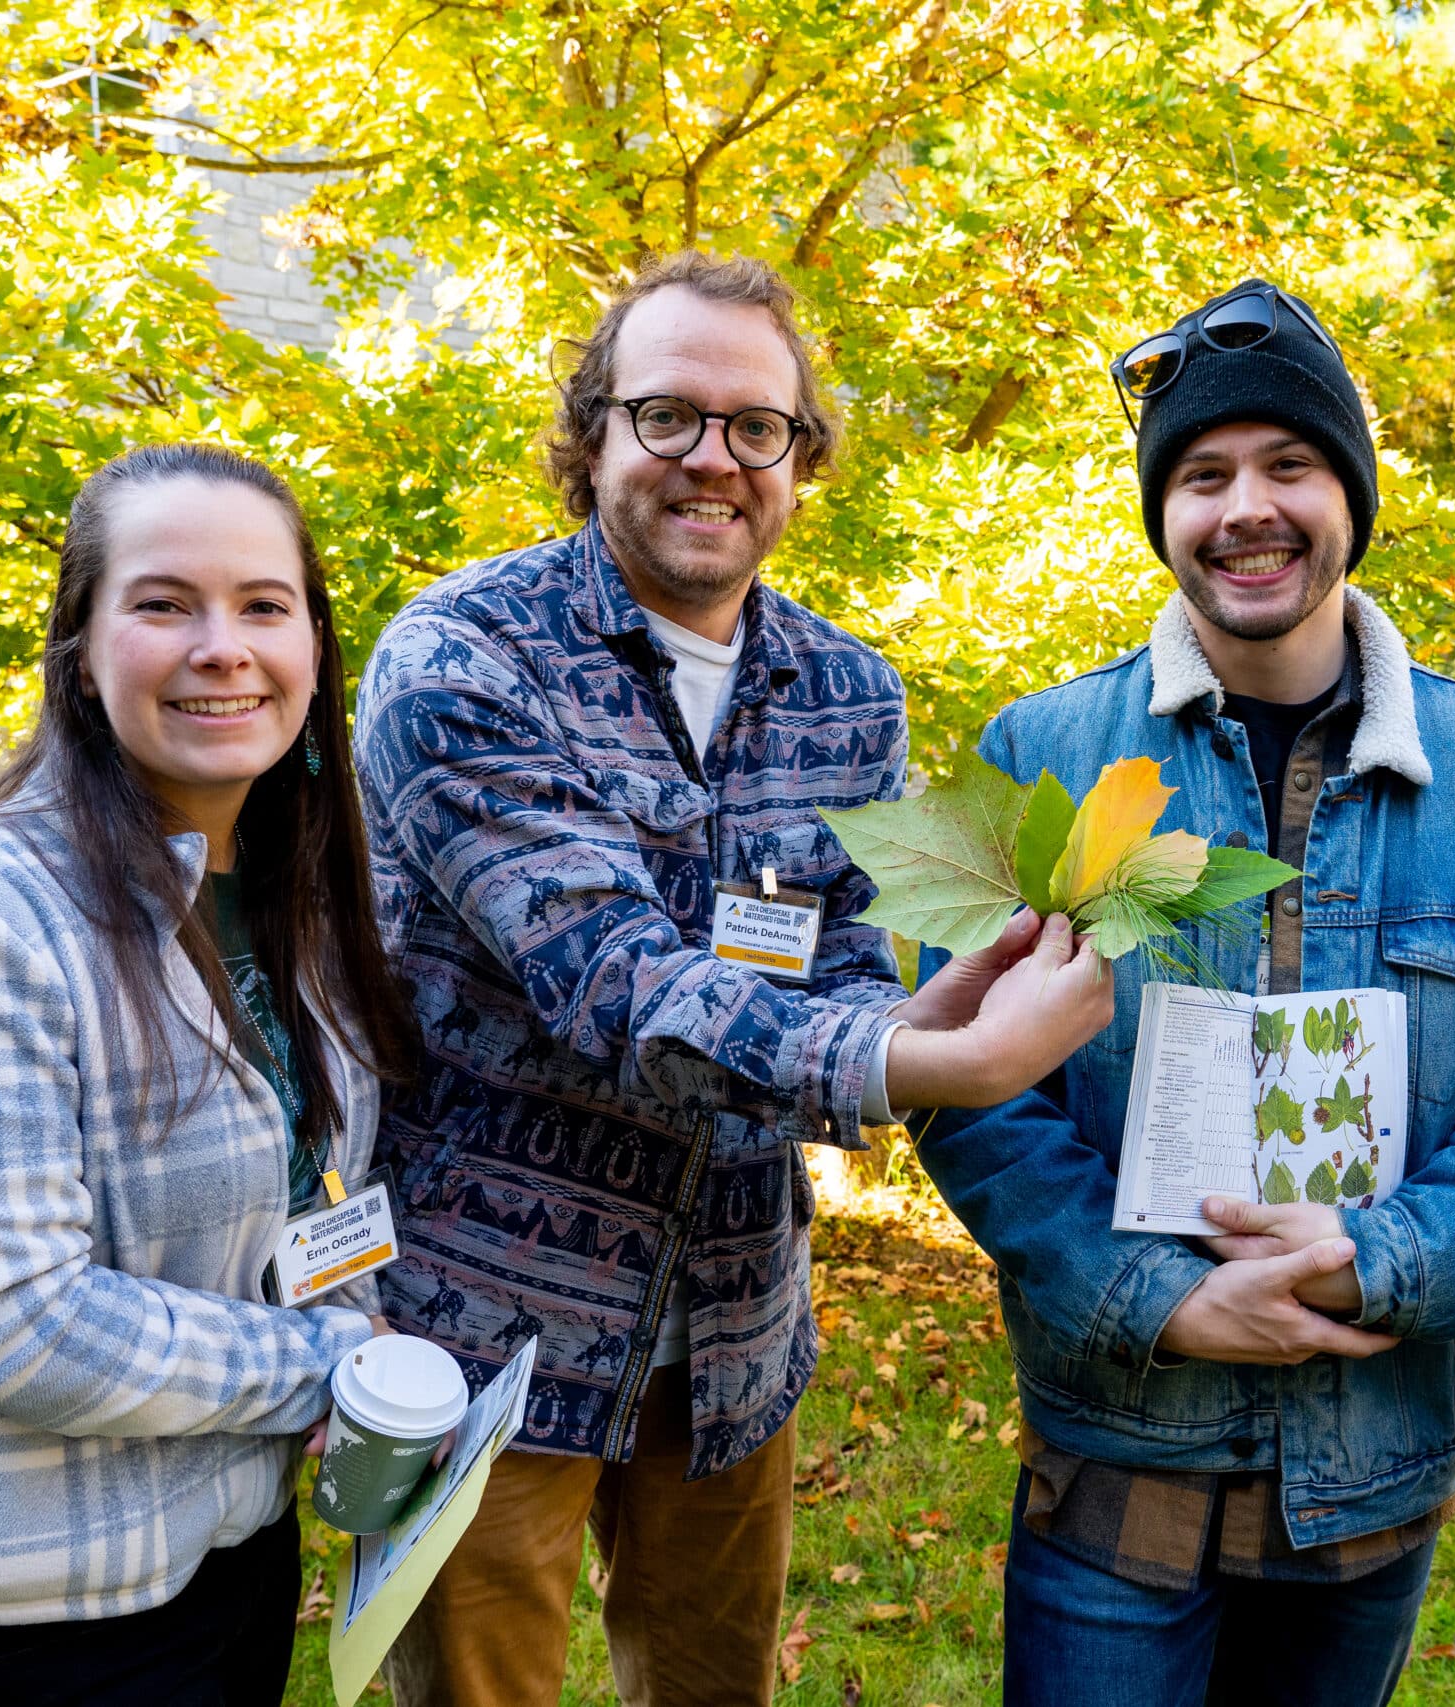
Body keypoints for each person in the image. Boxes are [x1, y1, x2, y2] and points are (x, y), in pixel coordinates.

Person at [353, 249, 1114, 1707]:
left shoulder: (849, 692)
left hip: (731, 1332)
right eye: (667, 415)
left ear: (800, 456)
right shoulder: (461, 658)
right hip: (481, 1330)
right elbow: (609, 978)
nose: (714, 457)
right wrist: (922, 1065)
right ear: (591, 437)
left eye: (756, 425)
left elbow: (833, 971)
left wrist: (924, 1008)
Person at [916, 278, 1455, 1707]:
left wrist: (1392, 1254)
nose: (1247, 506)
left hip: (1373, 1463)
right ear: (1163, 511)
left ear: (1353, 495)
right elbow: (971, 1087)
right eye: (1202, 474)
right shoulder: (1042, 750)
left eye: (1290, 464)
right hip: (1119, 1458)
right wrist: (1158, 1298)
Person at [0, 444, 419, 1705]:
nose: (224, 646)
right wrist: (320, 1368)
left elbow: (308, 1188)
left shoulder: (281, 890)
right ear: (79, 652)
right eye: (162, 604)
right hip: (31, 1614)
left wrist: (360, 1328)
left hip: (231, 1560)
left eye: (265, 605)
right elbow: (3, 1327)